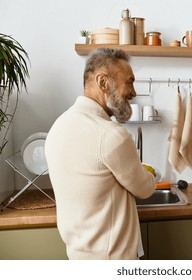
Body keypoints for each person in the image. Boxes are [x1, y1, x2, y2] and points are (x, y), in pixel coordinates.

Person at [45, 48, 155, 260]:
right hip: (112, 258)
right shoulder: (111, 135)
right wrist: (149, 173)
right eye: (129, 82)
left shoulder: (58, 126)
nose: (134, 92)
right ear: (103, 83)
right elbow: (145, 188)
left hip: (78, 256)